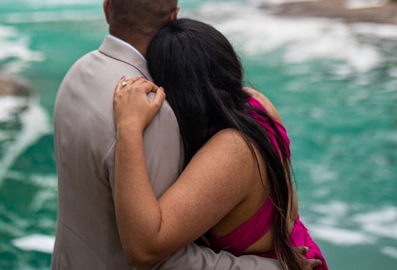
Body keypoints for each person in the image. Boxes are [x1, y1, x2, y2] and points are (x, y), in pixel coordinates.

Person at [52, 0, 319, 269]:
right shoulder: (163, 111)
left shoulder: (75, 75)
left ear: (108, 8)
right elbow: (158, 255)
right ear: (172, 16)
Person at [112, 18, 328, 269]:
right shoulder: (256, 102)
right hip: (296, 248)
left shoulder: (234, 151)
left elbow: (144, 248)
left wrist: (128, 128)